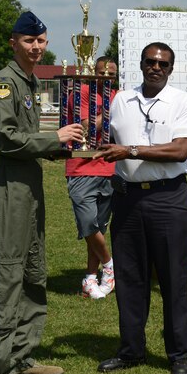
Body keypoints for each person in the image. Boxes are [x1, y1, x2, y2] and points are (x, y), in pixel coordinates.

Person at [0, 11, 84, 374]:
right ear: (14, 43)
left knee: (32, 272)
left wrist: (65, 148)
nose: (36, 47)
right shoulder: (3, 84)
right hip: (7, 192)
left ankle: (21, 356)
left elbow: (26, 138)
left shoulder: (29, 82)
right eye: (28, 41)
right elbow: (5, 140)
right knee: (5, 277)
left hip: (29, 189)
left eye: (40, 41)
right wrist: (55, 139)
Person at [94, 42, 187, 374]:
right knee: (129, 278)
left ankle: (179, 354)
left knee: (172, 277)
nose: (156, 68)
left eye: (163, 64)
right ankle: (131, 350)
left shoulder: (183, 101)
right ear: (141, 65)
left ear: (171, 68)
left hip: (167, 198)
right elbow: (98, 134)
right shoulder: (120, 100)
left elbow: (180, 150)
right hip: (127, 198)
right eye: (150, 62)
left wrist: (131, 150)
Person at [68, 56, 118, 300]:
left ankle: (90, 278)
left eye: (111, 74)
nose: (107, 78)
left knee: (99, 227)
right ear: (93, 73)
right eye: (102, 73)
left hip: (109, 168)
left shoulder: (120, 94)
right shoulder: (82, 93)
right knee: (88, 224)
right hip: (82, 166)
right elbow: (86, 126)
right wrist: (112, 108)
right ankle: (110, 265)